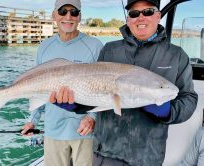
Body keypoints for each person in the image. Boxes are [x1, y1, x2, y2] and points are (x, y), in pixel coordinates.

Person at [50, 0, 198, 165]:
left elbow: (188, 100)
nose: (140, 18)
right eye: (134, 13)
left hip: (147, 156)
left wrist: (167, 111)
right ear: (128, 19)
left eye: (147, 12)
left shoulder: (176, 55)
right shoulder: (110, 50)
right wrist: (75, 104)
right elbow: (95, 95)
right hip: (105, 154)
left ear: (158, 16)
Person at [21, 0, 103, 166]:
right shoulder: (44, 47)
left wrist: (92, 117)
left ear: (80, 17)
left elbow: (104, 90)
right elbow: (37, 88)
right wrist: (33, 120)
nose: (68, 16)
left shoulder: (95, 46)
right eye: (63, 11)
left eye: (74, 12)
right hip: (53, 131)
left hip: (85, 133)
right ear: (54, 15)